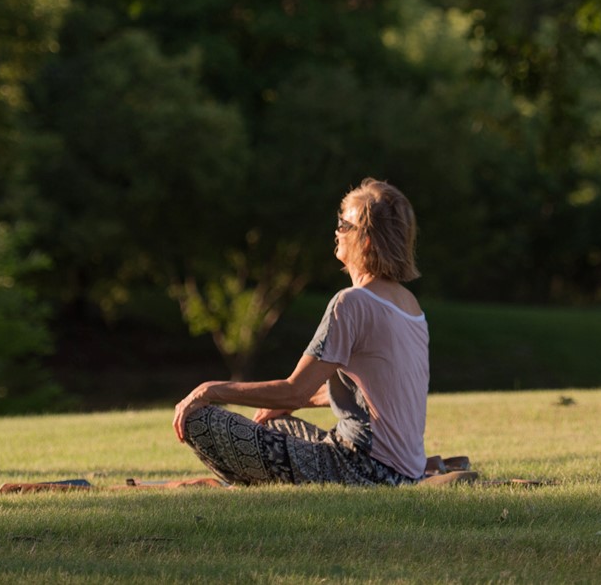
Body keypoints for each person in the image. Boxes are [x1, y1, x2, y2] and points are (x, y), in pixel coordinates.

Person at [173, 178, 429, 486]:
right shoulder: (410, 305)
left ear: (367, 241)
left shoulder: (351, 303)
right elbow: (375, 395)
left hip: (361, 468)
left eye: (343, 224)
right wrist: (289, 403)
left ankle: (246, 482)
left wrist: (209, 390)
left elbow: (294, 388)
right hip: (404, 473)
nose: (336, 232)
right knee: (275, 422)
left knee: (199, 420)